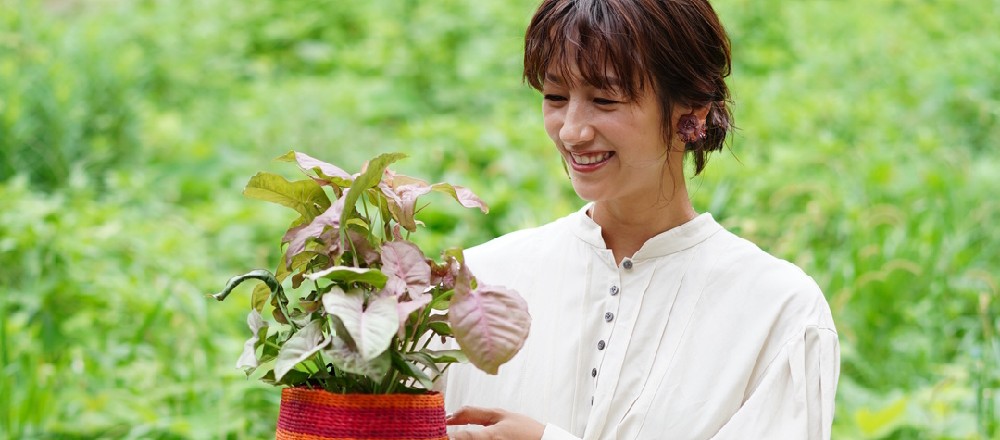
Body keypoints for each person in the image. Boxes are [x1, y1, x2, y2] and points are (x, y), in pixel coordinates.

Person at [442, 0, 840, 438]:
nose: (572, 131)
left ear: (692, 107)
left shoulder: (777, 310)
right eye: (555, 97)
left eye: (605, 99)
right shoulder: (478, 281)